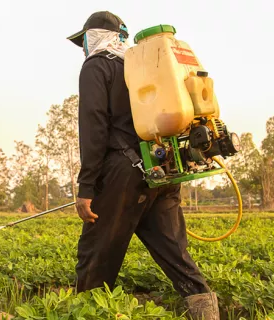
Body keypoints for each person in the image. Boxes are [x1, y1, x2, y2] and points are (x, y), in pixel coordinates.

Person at [66, 11, 220, 320]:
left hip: (123, 175)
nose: (82, 47)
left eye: (83, 40)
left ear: (93, 37)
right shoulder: (145, 69)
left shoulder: (97, 66)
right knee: (175, 254)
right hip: (163, 171)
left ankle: (87, 314)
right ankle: (208, 315)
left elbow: (94, 127)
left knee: (96, 255)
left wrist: (86, 188)